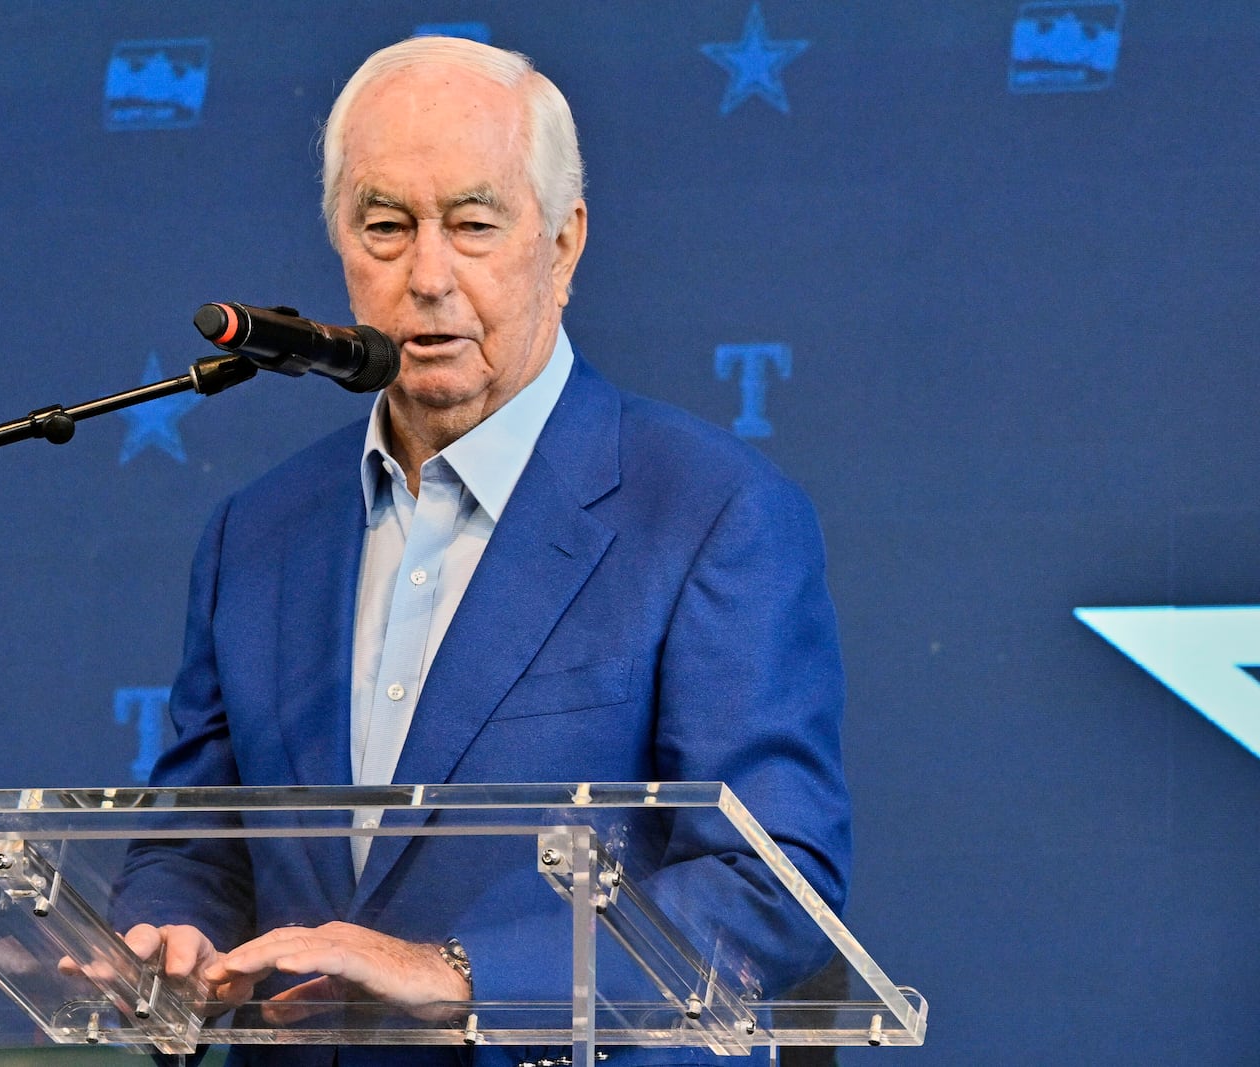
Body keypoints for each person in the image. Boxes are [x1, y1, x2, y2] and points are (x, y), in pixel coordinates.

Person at [108, 34, 850, 1067]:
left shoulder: (710, 510)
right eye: (385, 227)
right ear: (338, 244)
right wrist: (167, 937)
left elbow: (771, 881)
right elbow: (198, 842)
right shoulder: (258, 531)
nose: (427, 275)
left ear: (562, 242)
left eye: (472, 223)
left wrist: (462, 976)